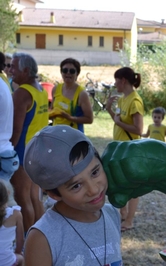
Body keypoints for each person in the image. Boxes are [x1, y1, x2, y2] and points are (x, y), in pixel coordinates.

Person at [23, 125, 122, 265]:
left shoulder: (112, 214)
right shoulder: (42, 238)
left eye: (94, 172)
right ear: (53, 193)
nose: (93, 190)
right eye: (76, 186)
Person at [9, 52, 48, 234]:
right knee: (35, 197)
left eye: (13, 67)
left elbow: (16, 130)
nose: (10, 71)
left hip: (22, 153)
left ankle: (27, 240)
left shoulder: (22, 93)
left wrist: (7, 151)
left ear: (25, 70)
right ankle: (41, 235)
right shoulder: (39, 89)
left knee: (23, 198)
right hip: (37, 152)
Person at [106, 66, 144, 232]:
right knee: (121, 181)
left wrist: (119, 122)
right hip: (120, 148)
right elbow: (118, 119)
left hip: (130, 149)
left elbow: (138, 130)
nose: (115, 84)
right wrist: (109, 109)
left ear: (123, 80)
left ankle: (129, 220)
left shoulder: (135, 101)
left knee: (133, 185)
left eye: (116, 80)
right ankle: (123, 212)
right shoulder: (122, 99)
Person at [49, 58, 93, 132]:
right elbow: (52, 109)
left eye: (72, 71)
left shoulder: (82, 94)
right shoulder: (56, 88)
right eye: (65, 70)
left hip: (73, 135)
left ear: (77, 74)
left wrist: (69, 118)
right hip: (56, 132)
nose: (68, 73)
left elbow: (89, 119)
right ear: (61, 72)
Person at [0, 179, 24, 266]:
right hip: (7, 262)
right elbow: (20, 240)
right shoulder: (15, 214)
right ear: (8, 193)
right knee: (21, 258)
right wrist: (18, 252)